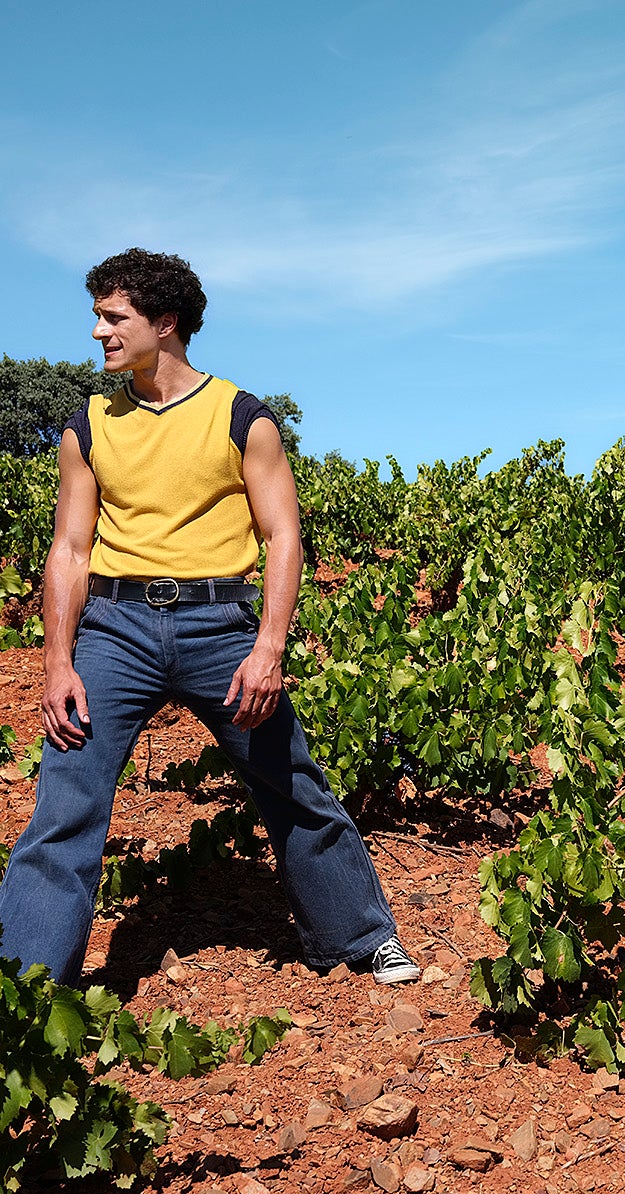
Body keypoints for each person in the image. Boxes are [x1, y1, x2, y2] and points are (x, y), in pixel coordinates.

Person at [0, 249, 419, 987]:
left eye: (112, 316)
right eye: (98, 315)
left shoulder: (241, 417)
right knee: (64, 804)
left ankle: (360, 937)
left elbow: (282, 537)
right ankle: (26, 991)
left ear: (165, 324)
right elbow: (69, 550)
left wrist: (268, 649)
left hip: (219, 623)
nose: (97, 330)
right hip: (115, 627)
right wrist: (57, 661)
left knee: (292, 783)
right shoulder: (87, 426)